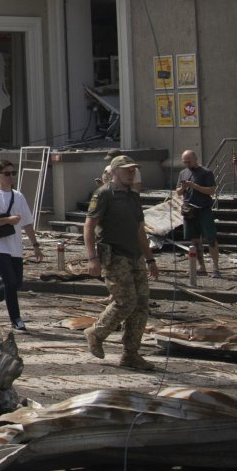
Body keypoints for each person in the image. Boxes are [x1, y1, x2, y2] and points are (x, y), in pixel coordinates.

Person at [84, 154, 159, 370]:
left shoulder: (134, 196)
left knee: (141, 304)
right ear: (115, 172)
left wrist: (150, 258)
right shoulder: (104, 194)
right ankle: (96, 332)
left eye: (133, 169)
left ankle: (130, 353)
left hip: (135, 256)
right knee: (125, 301)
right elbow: (89, 226)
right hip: (115, 256)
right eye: (126, 169)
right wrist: (92, 258)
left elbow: (139, 230)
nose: (131, 172)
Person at [0, 160, 33, 331]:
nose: (10, 177)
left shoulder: (19, 196)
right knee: (10, 282)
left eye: (13, 173)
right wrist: (6, 220)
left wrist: (36, 245)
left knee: (17, 283)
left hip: (15, 245)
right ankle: (16, 318)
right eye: (7, 174)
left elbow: (27, 223)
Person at [177, 149, 220, 278]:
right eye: (185, 162)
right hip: (189, 210)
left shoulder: (206, 172)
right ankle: (201, 266)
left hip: (203, 208)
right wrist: (183, 187)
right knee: (194, 240)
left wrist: (194, 186)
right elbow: (178, 192)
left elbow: (212, 191)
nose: (187, 164)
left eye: (189, 161)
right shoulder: (183, 173)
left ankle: (216, 267)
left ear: (196, 159)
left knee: (211, 238)